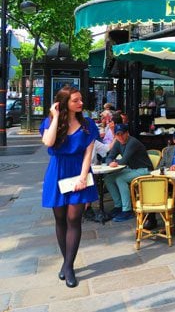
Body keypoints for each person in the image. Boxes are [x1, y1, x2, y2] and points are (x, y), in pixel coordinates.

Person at [40, 86, 99, 288]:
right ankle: (67, 264)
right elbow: (48, 142)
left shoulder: (88, 124)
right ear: (64, 103)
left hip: (79, 171)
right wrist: (55, 116)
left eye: (81, 99)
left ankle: (68, 266)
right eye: (76, 100)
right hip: (57, 172)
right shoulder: (51, 121)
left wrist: (83, 177)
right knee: (60, 219)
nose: (81, 103)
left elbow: (88, 153)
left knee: (74, 218)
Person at [104, 124, 154, 222]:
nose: (120, 137)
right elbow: (109, 156)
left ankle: (127, 210)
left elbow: (124, 160)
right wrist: (110, 162)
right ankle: (118, 206)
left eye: (122, 134)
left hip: (144, 170)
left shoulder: (132, 142)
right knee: (108, 179)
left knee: (120, 179)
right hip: (132, 169)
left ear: (127, 133)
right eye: (117, 135)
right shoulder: (118, 142)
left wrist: (115, 162)